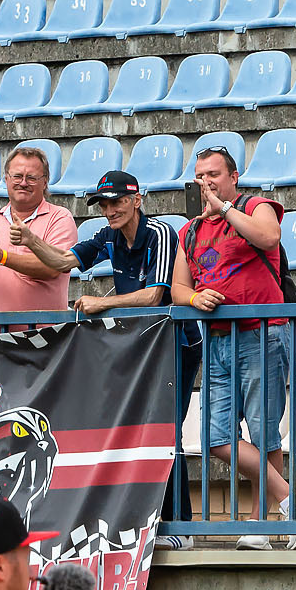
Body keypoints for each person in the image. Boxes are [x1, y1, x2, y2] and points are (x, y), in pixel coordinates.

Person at [172, 145, 296, 549]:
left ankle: (263, 524)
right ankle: (288, 499)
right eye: (199, 176)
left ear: (233, 178)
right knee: (216, 436)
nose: (206, 182)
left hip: (260, 332)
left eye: (213, 174)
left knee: (264, 433)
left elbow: (269, 236)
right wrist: (196, 300)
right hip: (217, 339)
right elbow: (178, 288)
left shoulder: (255, 205)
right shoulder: (190, 230)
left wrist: (225, 209)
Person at [70, 170, 196, 542]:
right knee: (143, 432)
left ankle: (181, 526)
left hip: (177, 343)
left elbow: (156, 295)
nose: (110, 210)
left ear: (137, 200)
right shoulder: (109, 236)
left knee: (167, 431)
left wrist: (102, 303)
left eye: (118, 201)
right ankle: (151, 521)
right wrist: (19, 248)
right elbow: (66, 262)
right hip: (141, 348)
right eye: (104, 204)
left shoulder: (159, 232)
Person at [0, 146, 77, 314]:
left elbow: (53, 267)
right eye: (17, 176)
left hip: (44, 336)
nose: (23, 183)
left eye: (31, 177)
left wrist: (4, 258)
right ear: (6, 179)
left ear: (45, 182)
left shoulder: (59, 217)